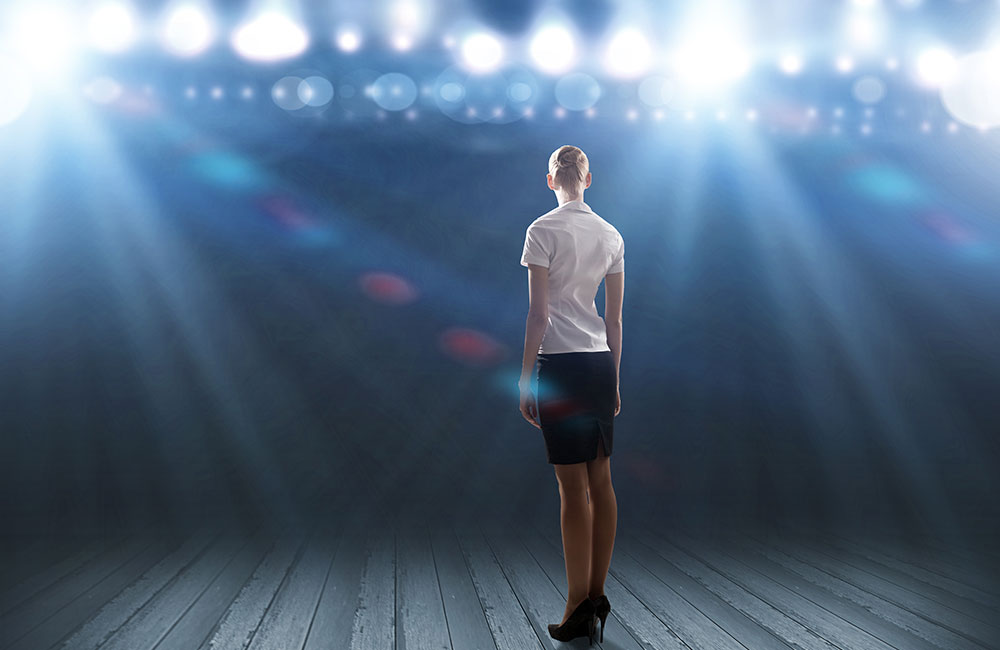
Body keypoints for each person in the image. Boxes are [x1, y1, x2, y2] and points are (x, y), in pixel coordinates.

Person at [518, 144, 624, 644]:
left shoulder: (542, 231)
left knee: (571, 490)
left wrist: (523, 380)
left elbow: (539, 316)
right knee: (601, 482)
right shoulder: (611, 235)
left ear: (550, 180)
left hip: (559, 366)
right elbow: (615, 319)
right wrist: (615, 380)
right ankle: (597, 599)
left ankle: (575, 604)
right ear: (589, 178)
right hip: (600, 364)